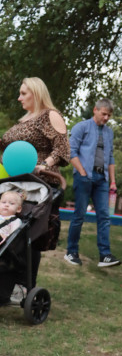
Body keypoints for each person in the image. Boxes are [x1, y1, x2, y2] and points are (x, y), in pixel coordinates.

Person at [0, 77, 70, 285]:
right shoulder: (24, 119)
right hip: (15, 182)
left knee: (29, 235)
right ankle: (7, 283)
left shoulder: (50, 115)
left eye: (23, 93)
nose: (19, 97)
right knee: (10, 232)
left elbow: (63, 149)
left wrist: (45, 165)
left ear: (36, 93)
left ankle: (24, 285)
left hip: (39, 182)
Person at [64, 99, 121, 267]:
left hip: (102, 180)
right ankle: (71, 251)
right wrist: (82, 172)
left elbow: (110, 157)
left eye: (109, 115)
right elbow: (71, 152)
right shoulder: (81, 127)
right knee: (79, 215)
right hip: (84, 177)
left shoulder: (109, 132)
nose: (106, 118)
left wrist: (113, 181)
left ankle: (105, 255)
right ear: (95, 110)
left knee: (104, 216)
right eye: (103, 114)